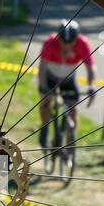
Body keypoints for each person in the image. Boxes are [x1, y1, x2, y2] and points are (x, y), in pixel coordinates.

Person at [38, 19, 95, 151]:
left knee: (73, 109)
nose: (66, 45)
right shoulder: (50, 42)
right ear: (58, 38)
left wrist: (91, 86)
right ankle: (44, 126)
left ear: (77, 38)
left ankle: (70, 141)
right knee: (45, 102)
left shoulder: (82, 43)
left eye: (71, 42)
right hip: (50, 77)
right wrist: (43, 86)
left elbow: (91, 68)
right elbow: (42, 68)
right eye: (63, 42)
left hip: (68, 79)